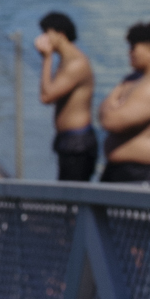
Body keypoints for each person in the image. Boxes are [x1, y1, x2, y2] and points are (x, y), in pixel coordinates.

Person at [99, 21, 150, 183]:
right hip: (123, 171)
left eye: (133, 48)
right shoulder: (136, 79)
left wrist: (111, 107)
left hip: (144, 175)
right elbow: (104, 111)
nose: (129, 53)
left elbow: (111, 121)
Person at [36, 11, 98, 181]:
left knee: (72, 193)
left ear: (61, 34)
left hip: (78, 142)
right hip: (68, 140)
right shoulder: (65, 60)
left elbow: (46, 96)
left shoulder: (76, 63)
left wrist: (46, 58)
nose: (43, 38)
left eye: (47, 33)